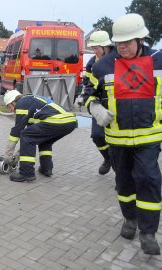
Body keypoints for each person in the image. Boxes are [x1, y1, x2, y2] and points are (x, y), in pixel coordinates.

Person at [84, 13, 162, 255]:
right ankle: (130, 219)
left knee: (149, 180)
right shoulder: (102, 65)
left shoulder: (159, 62)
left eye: (127, 42)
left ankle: (148, 232)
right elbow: (88, 94)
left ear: (141, 39)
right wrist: (95, 109)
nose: (122, 47)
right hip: (117, 139)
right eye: (119, 42)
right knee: (124, 183)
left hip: (149, 137)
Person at [3, 90, 77, 182]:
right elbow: (31, 139)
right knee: (44, 141)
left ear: (13, 102)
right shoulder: (31, 101)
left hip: (56, 120)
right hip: (70, 121)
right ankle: (46, 169)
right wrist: (18, 155)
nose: (9, 110)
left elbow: (17, 130)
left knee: (25, 135)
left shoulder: (21, 103)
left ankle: (26, 173)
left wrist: (8, 154)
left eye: (8, 106)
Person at [76, 31, 114, 175]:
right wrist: (84, 98)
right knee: (97, 136)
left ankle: (122, 176)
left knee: (118, 143)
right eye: (93, 48)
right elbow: (88, 84)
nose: (94, 51)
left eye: (97, 47)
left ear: (105, 46)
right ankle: (108, 159)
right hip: (98, 105)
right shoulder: (92, 62)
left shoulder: (116, 60)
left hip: (116, 105)